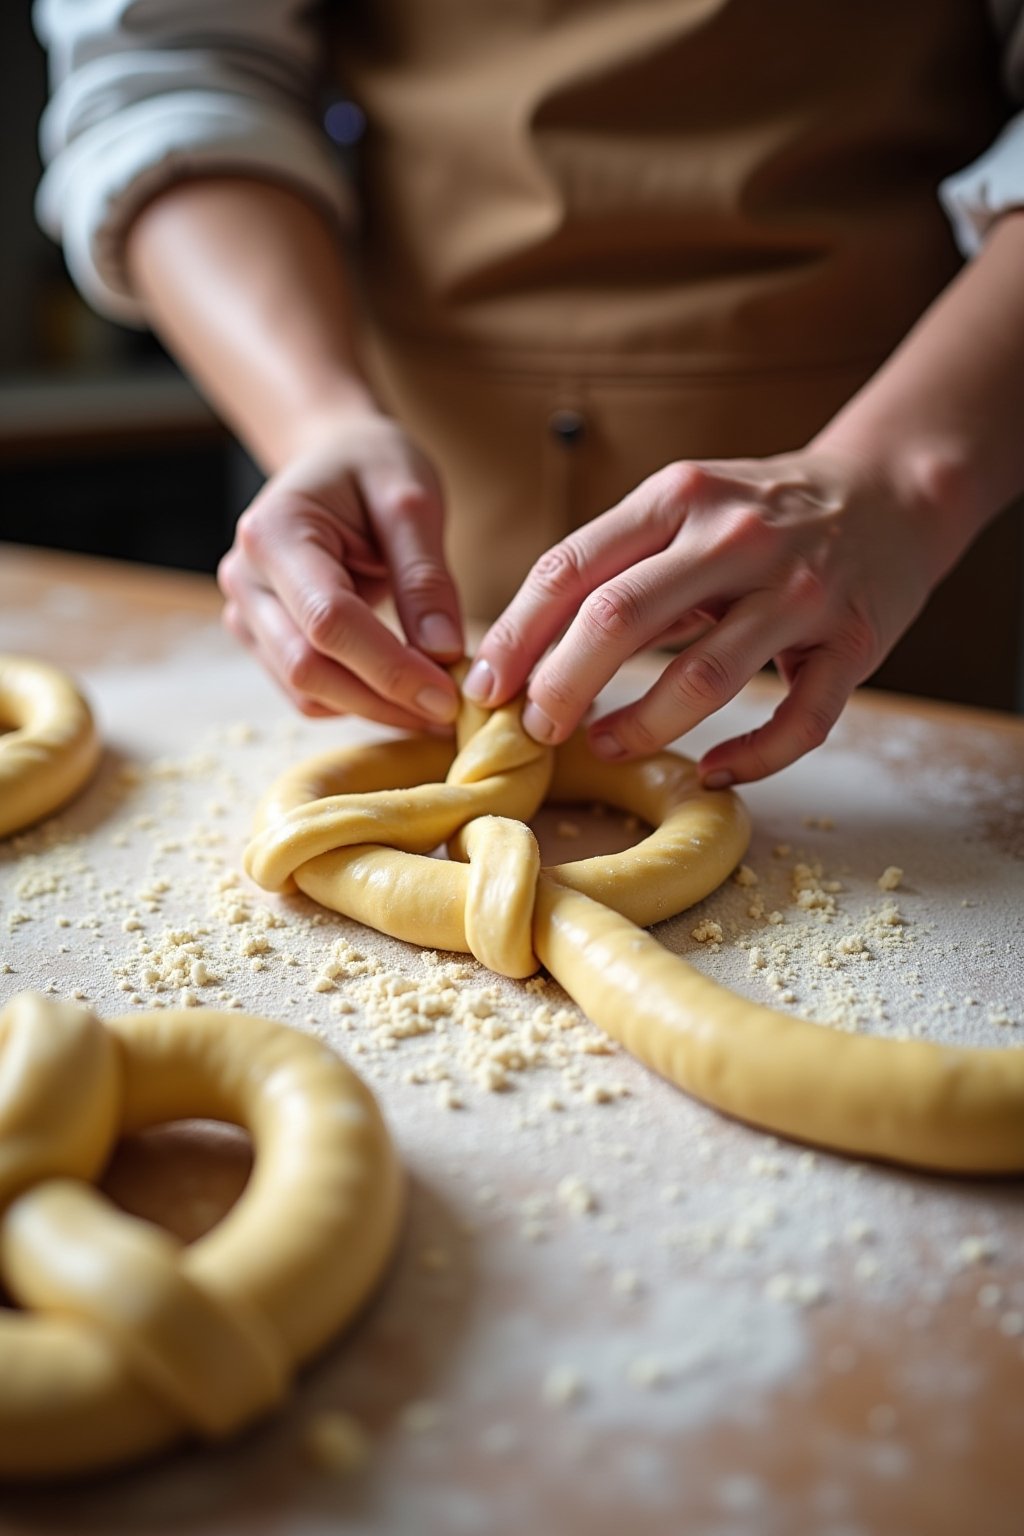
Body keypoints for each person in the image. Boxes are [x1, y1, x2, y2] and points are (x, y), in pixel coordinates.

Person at [34, 0, 1024, 787]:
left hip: (920, 483)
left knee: (926, 802)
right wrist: (317, 422)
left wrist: (904, 477)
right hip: (427, 487)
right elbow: (170, 71)